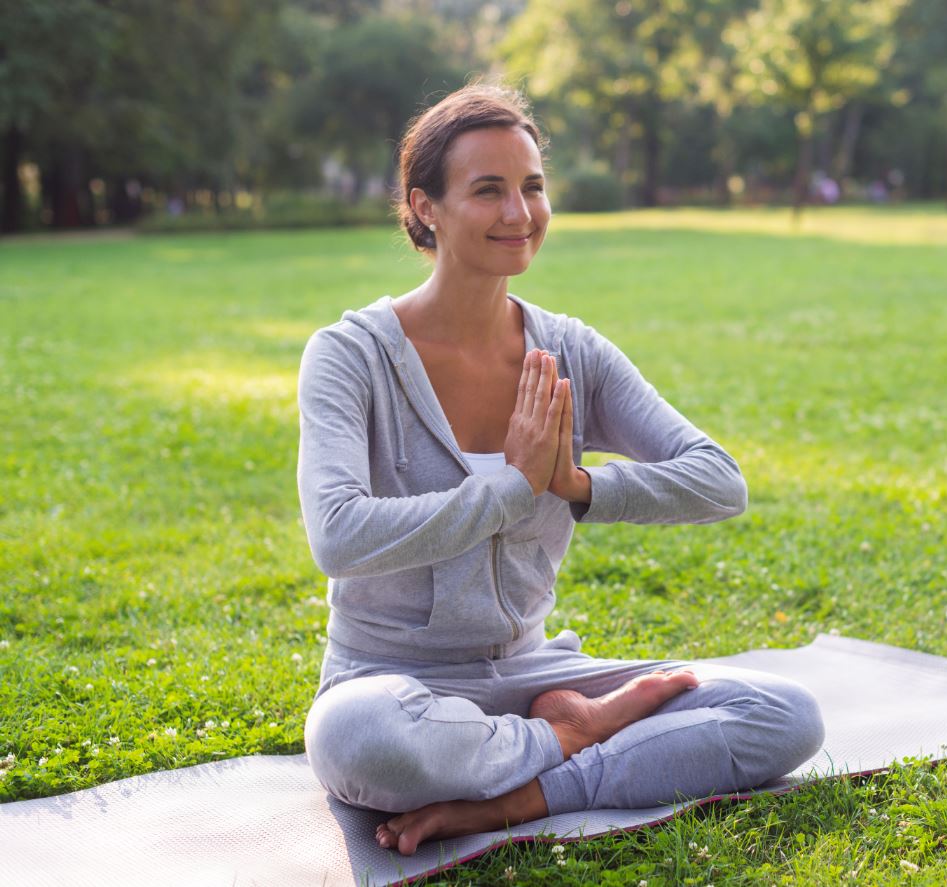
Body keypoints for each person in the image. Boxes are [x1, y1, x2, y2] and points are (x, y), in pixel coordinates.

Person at [297, 83, 825, 856]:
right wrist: (510, 488)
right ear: (426, 206)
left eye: (533, 187)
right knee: (356, 739)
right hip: (394, 683)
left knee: (785, 715)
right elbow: (338, 536)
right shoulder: (349, 356)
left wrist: (578, 486)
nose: (520, 214)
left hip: (534, 667)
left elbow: (719, 480)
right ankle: (568, 736)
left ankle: (532, 785)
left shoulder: (570, 351)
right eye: (489, 190)